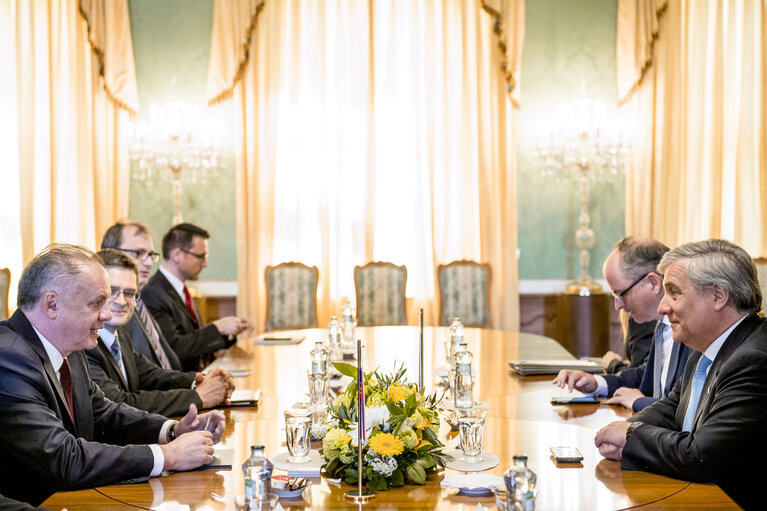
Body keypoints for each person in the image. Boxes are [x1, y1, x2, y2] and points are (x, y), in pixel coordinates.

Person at [0, 243, 225, 506]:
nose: (106, 314)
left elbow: (104, 413)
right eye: (97, 303)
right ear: (52, 304)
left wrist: (173, 430)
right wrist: (167, 455)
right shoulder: (9, 358)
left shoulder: (70, 345)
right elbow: (63, 458)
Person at [594, 238, 766, 510]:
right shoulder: (706, 345)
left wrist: (631, 437)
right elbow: (673, 406)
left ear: (718, 296)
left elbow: (701, 455)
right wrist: (625, 429)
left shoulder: (754, 359)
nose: (662, 307)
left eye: (673, 292)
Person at [85, 249, 235, 417]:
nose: (121, 301)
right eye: (113, 291)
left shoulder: (119, 333)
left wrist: (201, 380)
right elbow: (120, 403)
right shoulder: (85, 343)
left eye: (129, 293)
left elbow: (152, 375)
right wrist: (198, 397)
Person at [553, 237, 691, 412]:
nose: (618, 306)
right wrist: (597, 383)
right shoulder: (662, 326)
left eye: (621, 294)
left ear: (653, 283)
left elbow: (687, 408)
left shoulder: (692, 329)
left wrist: (640, 402)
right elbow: (647, 376)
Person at [141, 223, 253, 371]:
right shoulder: (153, 293)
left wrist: (228, 332)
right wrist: (218, 328)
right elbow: (174, 349)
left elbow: (194, 339)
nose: (205, 264)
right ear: (177, 255)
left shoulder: (181, 289)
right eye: (201, 256)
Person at [101, 220, 184, 370]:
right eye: (139, 253)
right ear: (112, 253)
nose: (149, 262)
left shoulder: (138, 300)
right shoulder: (111, 308)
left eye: (151, 254)